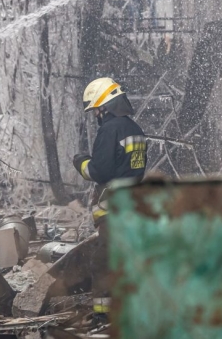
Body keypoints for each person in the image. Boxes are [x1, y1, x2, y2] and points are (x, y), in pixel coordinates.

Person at [72, 77, 147, 322]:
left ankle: (103, 317)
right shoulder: (135, 130)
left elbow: (99, 171)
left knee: (103, 263)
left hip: (113, 211)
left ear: (105, 106)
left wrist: (80, 162)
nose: (96, 115)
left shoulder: (109, 129)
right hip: (133, 208)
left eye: (96, 109)